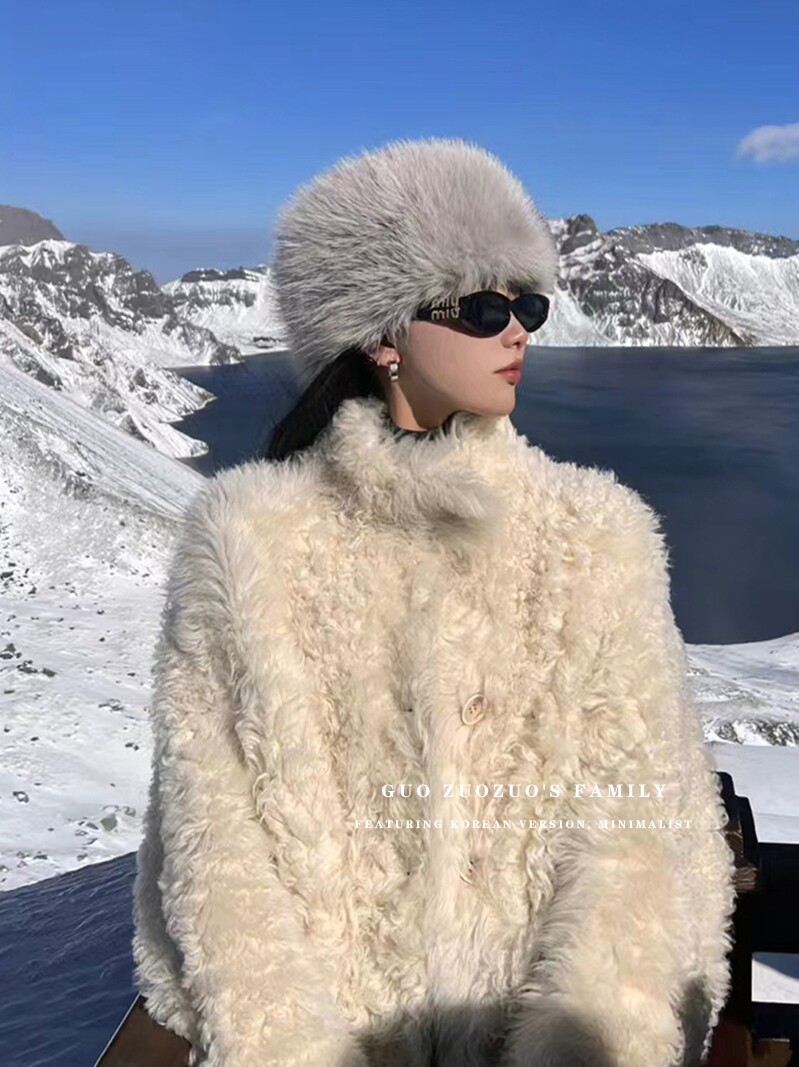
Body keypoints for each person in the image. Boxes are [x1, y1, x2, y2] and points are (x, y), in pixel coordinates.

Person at [131, 137, 736, 1067]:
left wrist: (583, 1043)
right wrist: (290, 1046)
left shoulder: (594, 536)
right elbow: (211, 836)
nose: (517, 332)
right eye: (484, 308)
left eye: (528, 305)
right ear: (382, 335)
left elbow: (645, 824)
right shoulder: (248, 543)